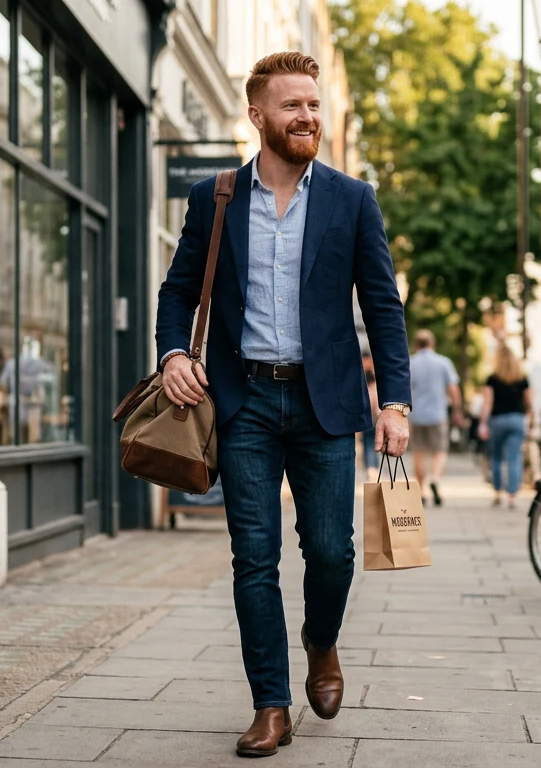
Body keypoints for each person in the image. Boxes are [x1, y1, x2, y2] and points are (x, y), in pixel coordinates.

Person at [155, 52, 410, 758]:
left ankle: (321, 641)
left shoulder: (352, 199)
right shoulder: (216, 197)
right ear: (257, 115)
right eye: (292, 105)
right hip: (243, 405)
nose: (307, 116)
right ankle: (271, 704)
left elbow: (383, 307)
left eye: (314, 105)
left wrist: (396, 403)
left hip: (326, 403)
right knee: (254, 560)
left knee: (332, 553)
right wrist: (176, 354)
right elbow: (177, 292)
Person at [407, 330, 461, 507]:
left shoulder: (411, 363)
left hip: (416, 415)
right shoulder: (443, 362)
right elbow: (453, 389)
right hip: (438, 414)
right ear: (432, 344)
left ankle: (421, 492)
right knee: (440, 451)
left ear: (416, 345)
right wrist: (457, 410)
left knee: (418, 453)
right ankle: (435, 478)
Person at [477, 346, 531, 508]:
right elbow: (529, 402)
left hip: (498, 420)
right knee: (514, 458)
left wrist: (482, 423)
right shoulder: (522, 379)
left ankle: (497, 492)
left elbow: (487, 403)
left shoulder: (492, 379)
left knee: (497, 457)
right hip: (517, 419)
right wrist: (530, 420)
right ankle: (512, 496)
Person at [360, 367, 380, 482]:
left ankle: (370, 468)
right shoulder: (375, 389)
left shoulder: (364, 390)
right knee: (374, 446)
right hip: (375, 422)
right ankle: (373, 469)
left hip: (366, 422)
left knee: (367, 446)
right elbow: (377, 407)